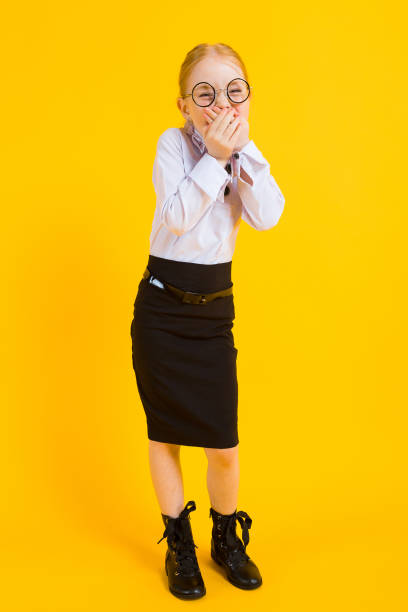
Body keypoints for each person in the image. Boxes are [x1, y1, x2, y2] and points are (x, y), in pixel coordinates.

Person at [130, 42, 285, 600]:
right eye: (206, 94)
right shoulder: (173, 145)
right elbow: (175, 218)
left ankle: (225, 539)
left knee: (222, 444)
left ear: (247, 95)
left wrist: (240, 157)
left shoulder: (247, 149)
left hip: (213, 309)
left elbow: (267, 216)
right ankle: (179, 545)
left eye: (233, 90)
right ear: (185, 104)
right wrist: (213, 157)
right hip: (163, 307)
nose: (221, 104)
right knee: (165, 433)